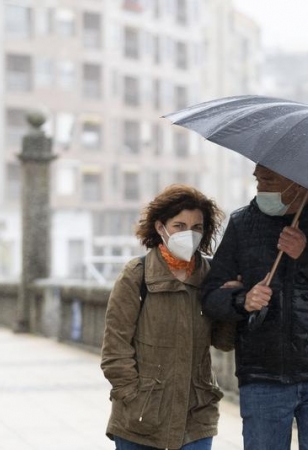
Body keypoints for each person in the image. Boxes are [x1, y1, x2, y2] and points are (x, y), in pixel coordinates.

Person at [201, 165, 308, 450]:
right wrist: (244, 300)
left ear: (298, 181)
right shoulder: (242, 224)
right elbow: (210, 297)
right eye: (257, 178)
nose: (259, 185)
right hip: (261, 374)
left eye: (268, 179)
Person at [100, 184, 236, 450]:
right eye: (179, 225)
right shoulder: (137, 274)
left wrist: (230, 303)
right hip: (139, 419)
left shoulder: (211, 275)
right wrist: (133, 396)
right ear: (160, 227)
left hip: (196, 415)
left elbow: (223, 341)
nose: (189, 234)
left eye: (197, 227)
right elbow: (114, 349)